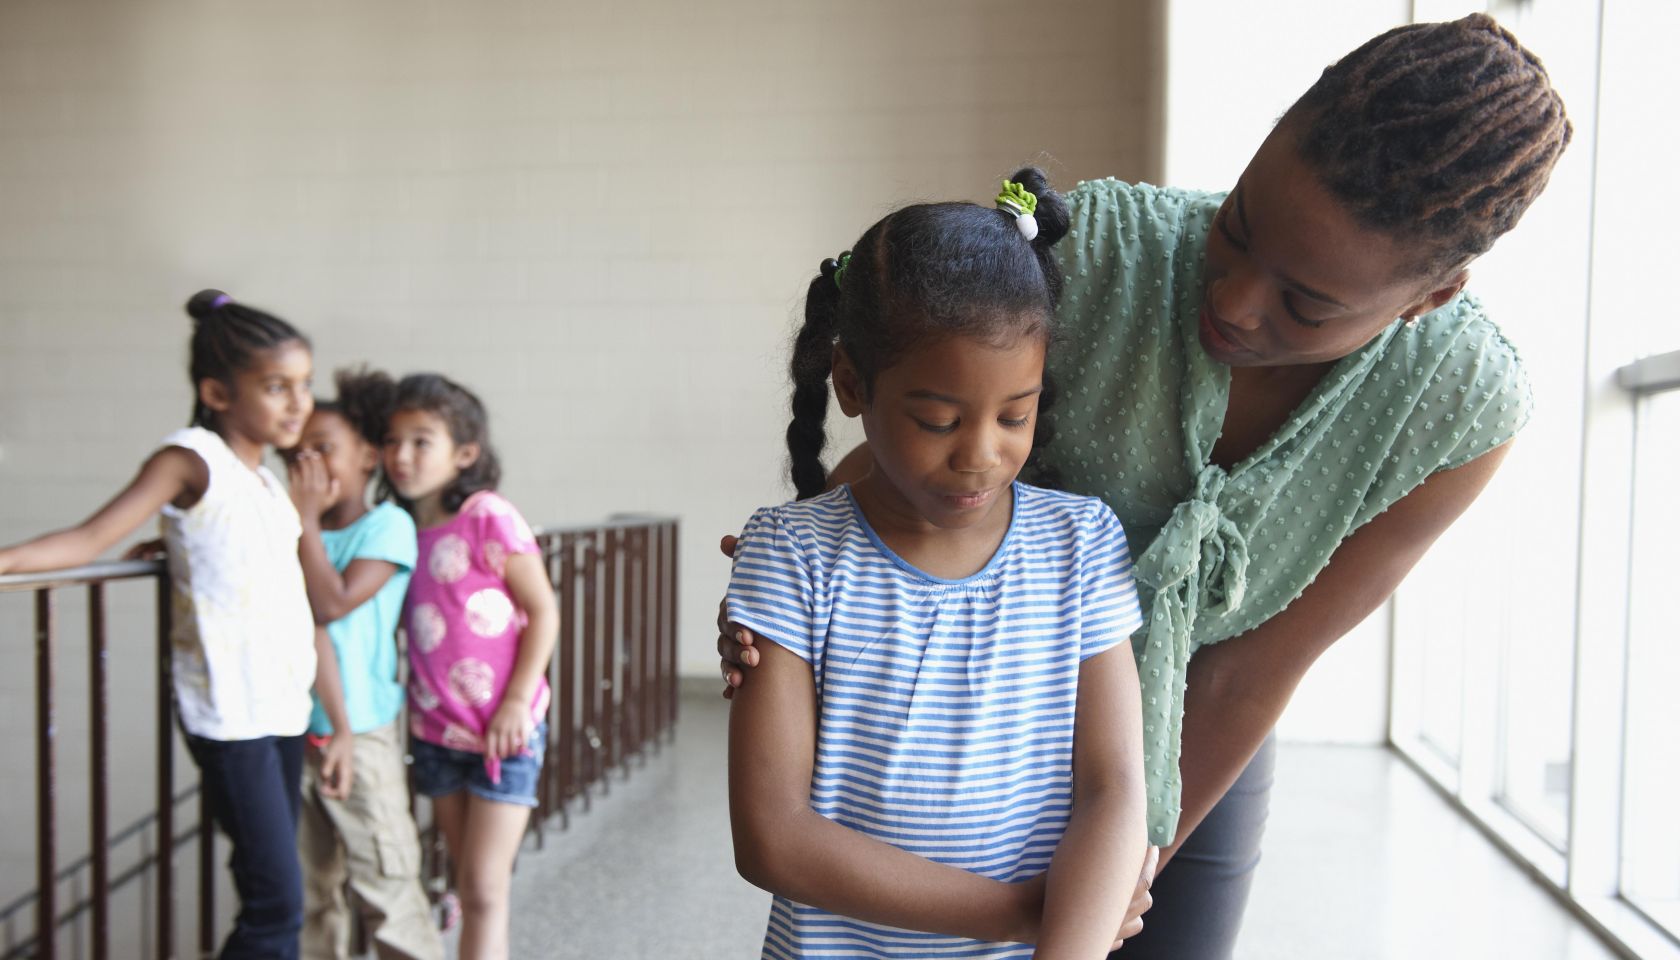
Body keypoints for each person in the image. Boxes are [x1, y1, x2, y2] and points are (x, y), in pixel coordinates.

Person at [719, 13, 1572, 958]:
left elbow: (1251, 671)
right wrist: (798, 590)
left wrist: (1109, 887)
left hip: (1182, 741)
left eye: (1306, 304)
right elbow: (924, 431)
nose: (1237, 304)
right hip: (950, 716)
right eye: (1237, 228)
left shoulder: (1459, 409)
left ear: (1429, 297)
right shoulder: (1100, 248)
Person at [726, 169, 1151, 960]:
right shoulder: (793, 555)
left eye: (1015, 414)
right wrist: (1024, 913)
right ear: (853, 385)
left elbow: (1115, 788)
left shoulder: (1079, 544)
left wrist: (1064, 943)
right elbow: (772, 837)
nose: (981, 456)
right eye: (938, 419)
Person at [0, 290, 349, 960]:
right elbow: (91, 536)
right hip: (230, 713)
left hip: (279, 706)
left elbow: (265, 576)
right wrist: (10, 560)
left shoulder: (270, 484)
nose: (298, 403)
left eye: (304, 386)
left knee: (276, 889)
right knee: (276, 905)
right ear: (217, 392)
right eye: (276, 387)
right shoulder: (192, 457)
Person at [382, 373, 558, 960]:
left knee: (484, 888)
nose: (401, 456)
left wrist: (516, 701)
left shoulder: (488, 515)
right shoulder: (400, 529)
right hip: (436, 732)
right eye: (393, 440)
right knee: (466, 881)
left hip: (503, 731)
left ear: (464, 453)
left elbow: (543, 610)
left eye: (421, 441)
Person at [286, 368, 443, 960]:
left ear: (368, 458)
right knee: (311, 899)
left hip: (361, 732)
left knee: (388, 891)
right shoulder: (292, 530)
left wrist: (303, 520)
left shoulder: (387, 525)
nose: (308, 466)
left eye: (323, 449)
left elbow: (331, 602)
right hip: (294, 730)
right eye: (297, 453)